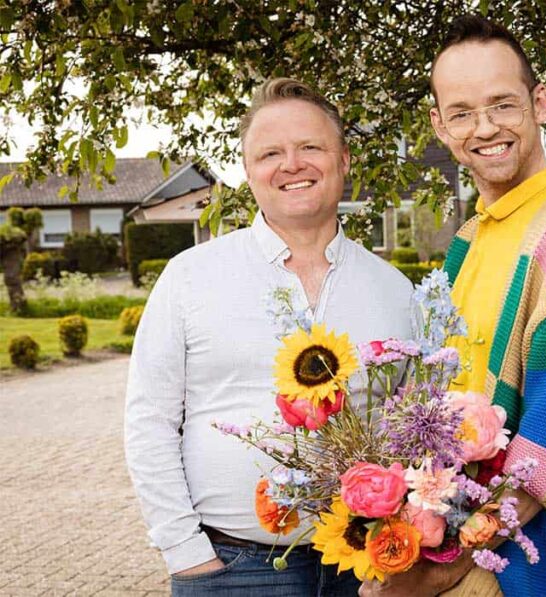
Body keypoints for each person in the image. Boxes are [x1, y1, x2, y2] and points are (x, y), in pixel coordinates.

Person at [360, 14, 546, 597]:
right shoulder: (472, 236)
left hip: (520, 571)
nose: (484, 128)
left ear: (541, 104)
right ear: (440, 126)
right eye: (461, 112)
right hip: (454, 547)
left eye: (503, 104)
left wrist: (447, 565)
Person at [124, 78, 415, 597]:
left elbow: (408, 431)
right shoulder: (190, 276)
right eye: (271, 152)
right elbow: (150, 420)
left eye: (310, 147)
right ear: (248, 169)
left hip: (364, 571)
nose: (292, 164)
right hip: (233, 569)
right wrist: (185, 553)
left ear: (344, 159)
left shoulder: (395, 291)